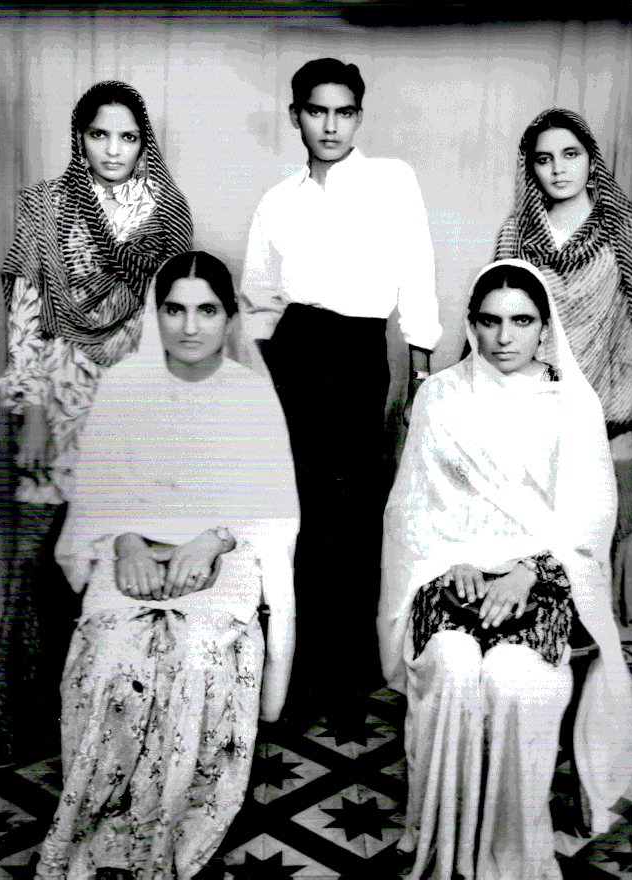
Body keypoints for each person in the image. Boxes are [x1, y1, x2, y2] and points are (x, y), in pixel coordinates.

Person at [34, 251, 299, 880]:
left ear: (229, 317)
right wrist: (124, 541)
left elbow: (274, 511)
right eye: (174, 309)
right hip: (128, 547)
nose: (189, 326)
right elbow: (98, 493)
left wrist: (212, 541)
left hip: (225, 549)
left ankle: (179, 821)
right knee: (110, 650)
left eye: (206, 310)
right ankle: (101, 818)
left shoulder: (251, 395)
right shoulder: (125, 384)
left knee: (201, 647)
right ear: (157, 315)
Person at [379, 259, 632, 880]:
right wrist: (453, 561)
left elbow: (590, 520)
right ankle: (442, 843)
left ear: (544, 329)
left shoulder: (572, 404)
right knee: (456, 667)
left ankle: (511, 851)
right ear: (470, 324)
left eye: (521, 321)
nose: (504, 336)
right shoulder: (439, 397)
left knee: (520, 679)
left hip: (544, 576)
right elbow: (411, 508)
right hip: (449, 573)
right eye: (490, 321)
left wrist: (530, 568)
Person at [240, 57, 440, 729]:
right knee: (293, 513)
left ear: (360, 115)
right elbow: (260, 300)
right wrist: (255, 380)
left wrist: (417, 373)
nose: (330, 124)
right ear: (295, 114)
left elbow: (417, 272)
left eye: (344, 111)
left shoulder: (392, 182)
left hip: (360, 353)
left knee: (353, 512)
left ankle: (349, 681)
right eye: (316, 110)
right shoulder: (277, 201)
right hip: (292, 355)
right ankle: (294, 679)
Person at [0, 81, 192, 763]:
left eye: (127, 137)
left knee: (117, 555)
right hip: (57, 400)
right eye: (99, 135)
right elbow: (24, 312)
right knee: (41, 562)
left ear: (144, 142)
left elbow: (178, 325)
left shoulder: (166, 216)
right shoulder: (43, 207)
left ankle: (109, 732)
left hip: (132, 406)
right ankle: (32, 727)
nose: (113, 150)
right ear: (79, 137)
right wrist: (29, 409)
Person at [493, 108, 632, 624]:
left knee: (595, 549)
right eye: (544, 159)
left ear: (590, 161)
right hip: (535, 416)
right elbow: (496, 323)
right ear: (530, 169)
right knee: (537, 546)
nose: (558, 169)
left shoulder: (624, 230)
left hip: (612, 416)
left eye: (570, 155)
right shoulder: (515, 236)